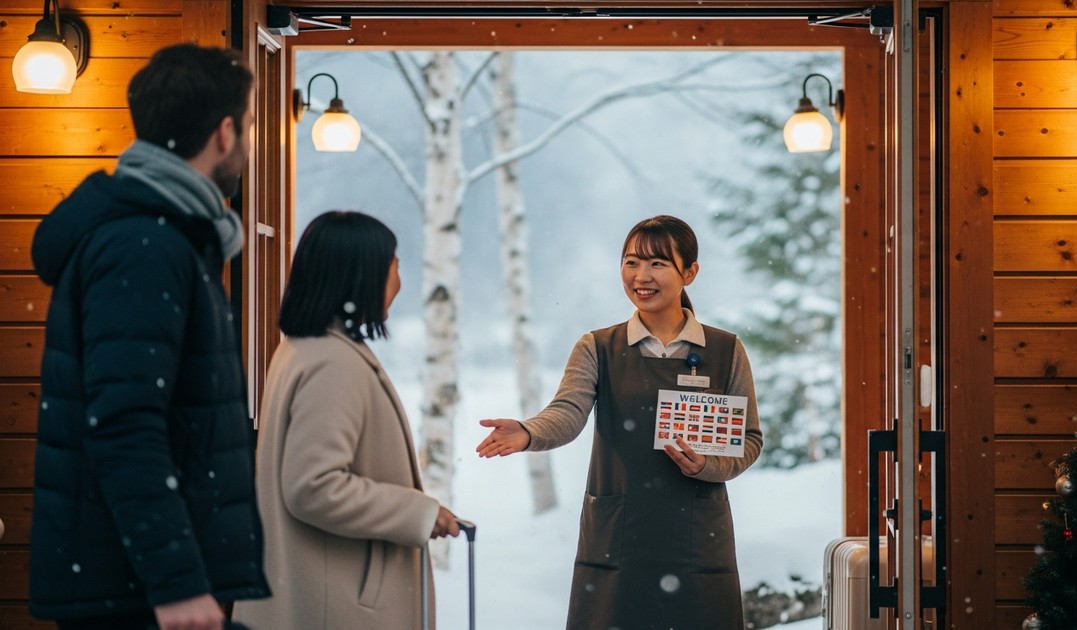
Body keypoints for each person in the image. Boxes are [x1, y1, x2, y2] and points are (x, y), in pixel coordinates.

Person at [28, 44, 269, 630]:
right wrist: (177, 583)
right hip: (133, 590)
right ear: (225, 133)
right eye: (252, 124)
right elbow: (124, 424)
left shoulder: (164, 236)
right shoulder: (145, 247)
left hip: (133, 580)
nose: (253, 142)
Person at [476, 214, 763, 629]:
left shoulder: (725, 350)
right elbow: (568, 412)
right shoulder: (598, 347)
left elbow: (748, 439)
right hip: (619, 535)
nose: (641, 276)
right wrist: (528, 431)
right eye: (631, 262)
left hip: (696, 535)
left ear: (690, 272)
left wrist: (708, 465)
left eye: (657, 263)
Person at [232, 210, 461, 630]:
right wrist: (417, 513)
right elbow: (313, 487)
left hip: (321, 594)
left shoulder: (306, 348)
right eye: (394, 265)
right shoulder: (332, 363)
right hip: (338, 605)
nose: (399, 280)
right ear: (363, 275)